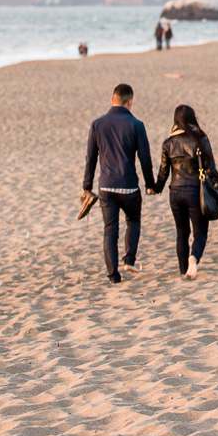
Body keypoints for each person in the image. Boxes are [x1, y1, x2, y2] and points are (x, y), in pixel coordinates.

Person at [82, 83, 156, 285]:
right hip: (129, 185)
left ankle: (113, 275)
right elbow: (145, 158)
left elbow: (91, 158)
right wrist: (150, 184)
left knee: (110, 230)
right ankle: (129, 259)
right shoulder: (136, 125)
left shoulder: (97, 124)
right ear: (130, 102)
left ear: (112, 100)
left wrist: (86, 186)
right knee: (133, 220)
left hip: (106, 187)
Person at [155, 103, 218, 281]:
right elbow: (211, 169)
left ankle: (183, 269)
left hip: (175, 192)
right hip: (195, 191)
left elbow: (163, 172)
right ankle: (194, 258)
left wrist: (156, 188)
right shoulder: (200, 139)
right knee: (200, 232)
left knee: (181, 232)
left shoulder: (168, 143)